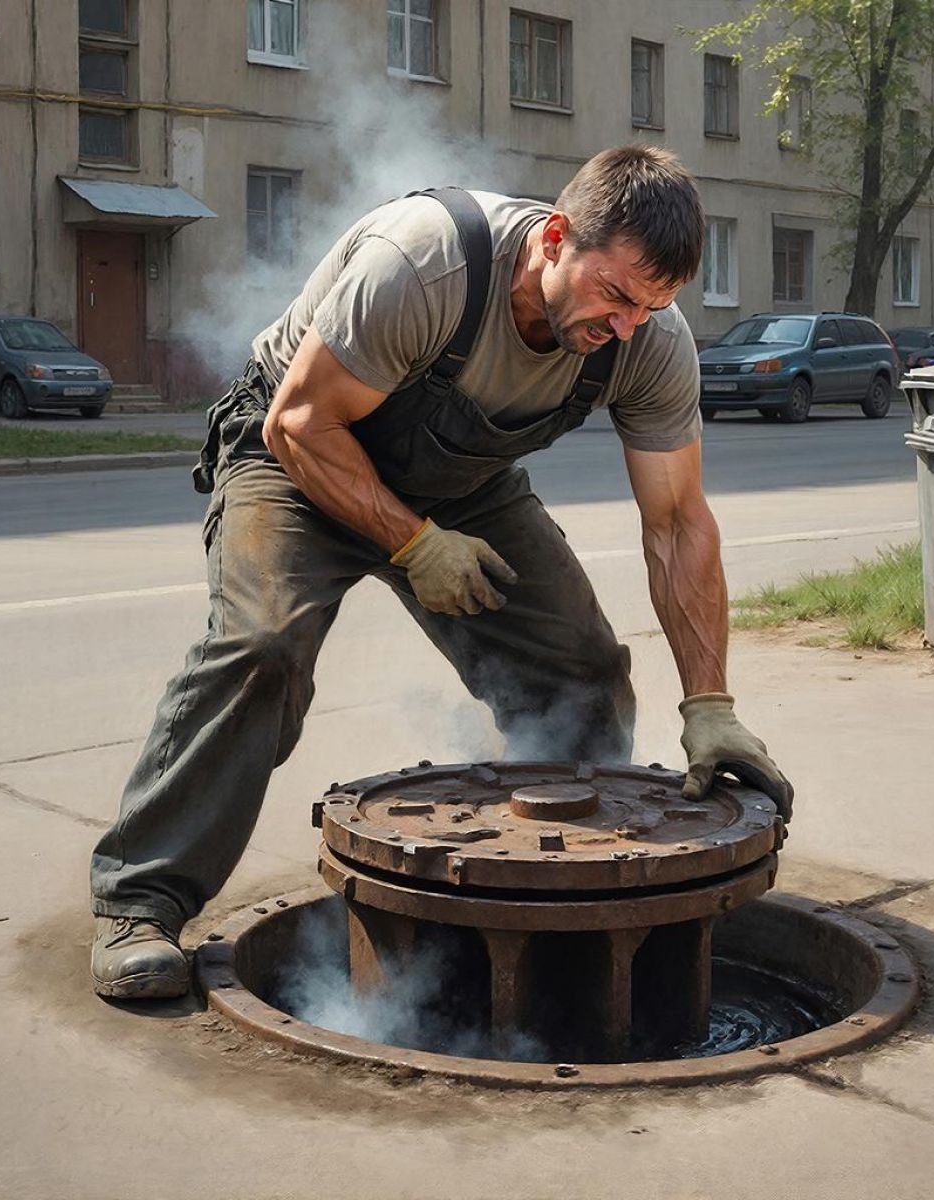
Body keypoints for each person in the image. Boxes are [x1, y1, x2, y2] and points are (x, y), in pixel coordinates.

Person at [90, 144, 793, 1000]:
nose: (627, 327)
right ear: (555, 238)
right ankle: (140, 900)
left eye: (652, 307)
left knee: (580, 671)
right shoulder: (426, 262)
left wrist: (710, 707)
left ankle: (549, 902)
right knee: (262, 646)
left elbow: (679, 523)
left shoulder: (648, 341)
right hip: (294, 454)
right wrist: (416, 544)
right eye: (615, 296)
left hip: (463, 486)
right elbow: (301, 423)